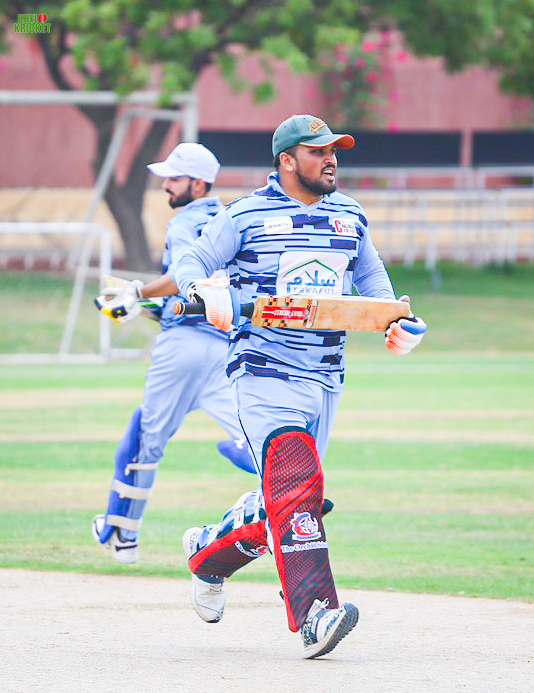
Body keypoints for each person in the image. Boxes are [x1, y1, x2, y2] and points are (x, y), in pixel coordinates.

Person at [170, 115, 427, 659]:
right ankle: (315, 615)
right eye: (317, 151)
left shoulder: (350, 215)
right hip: (263, 372)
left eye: (334, 150)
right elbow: (193, 259)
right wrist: (205, 290)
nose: (331, 159)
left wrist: (399, 321)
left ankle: (208, 553)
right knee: (294, 483)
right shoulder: (244, 214)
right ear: (286, 160)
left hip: (326, 377)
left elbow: (374, 284)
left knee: (288, 504)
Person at [92, 142, 256, 565]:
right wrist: (150, 304)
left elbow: (186, 276)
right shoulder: (232, 219)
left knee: (145, 439)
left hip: (182, 345)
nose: (166, 185)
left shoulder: (184, 221)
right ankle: (279, 515)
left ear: (198, 184)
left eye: (175, 178)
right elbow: (211, 288)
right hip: (225, 346)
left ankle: (122, 535)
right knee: (260, 441)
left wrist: (137, 292)